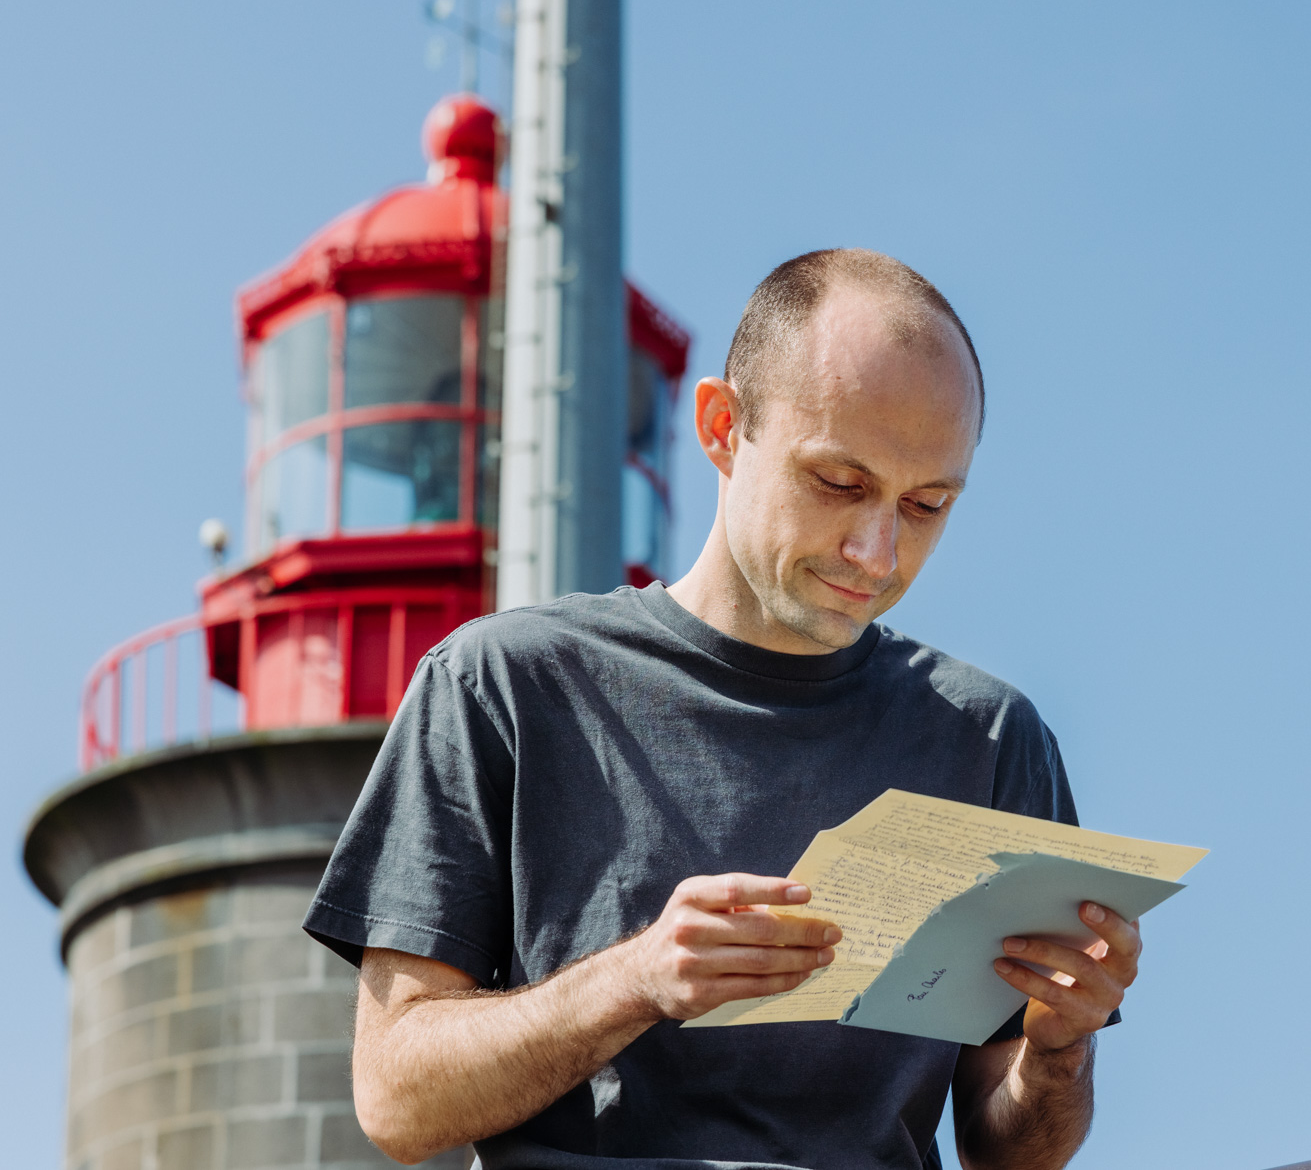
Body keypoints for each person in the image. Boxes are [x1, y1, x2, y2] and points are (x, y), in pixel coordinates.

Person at [305, 249, 1144, 1170]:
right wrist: (638, 977)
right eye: (839, 482)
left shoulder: (991, 740)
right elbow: (396, 1096)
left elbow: (1008, 1153)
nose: (877, 550)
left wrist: (1060, 1047)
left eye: (928, 504)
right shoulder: (502, 683)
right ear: (721, 426)